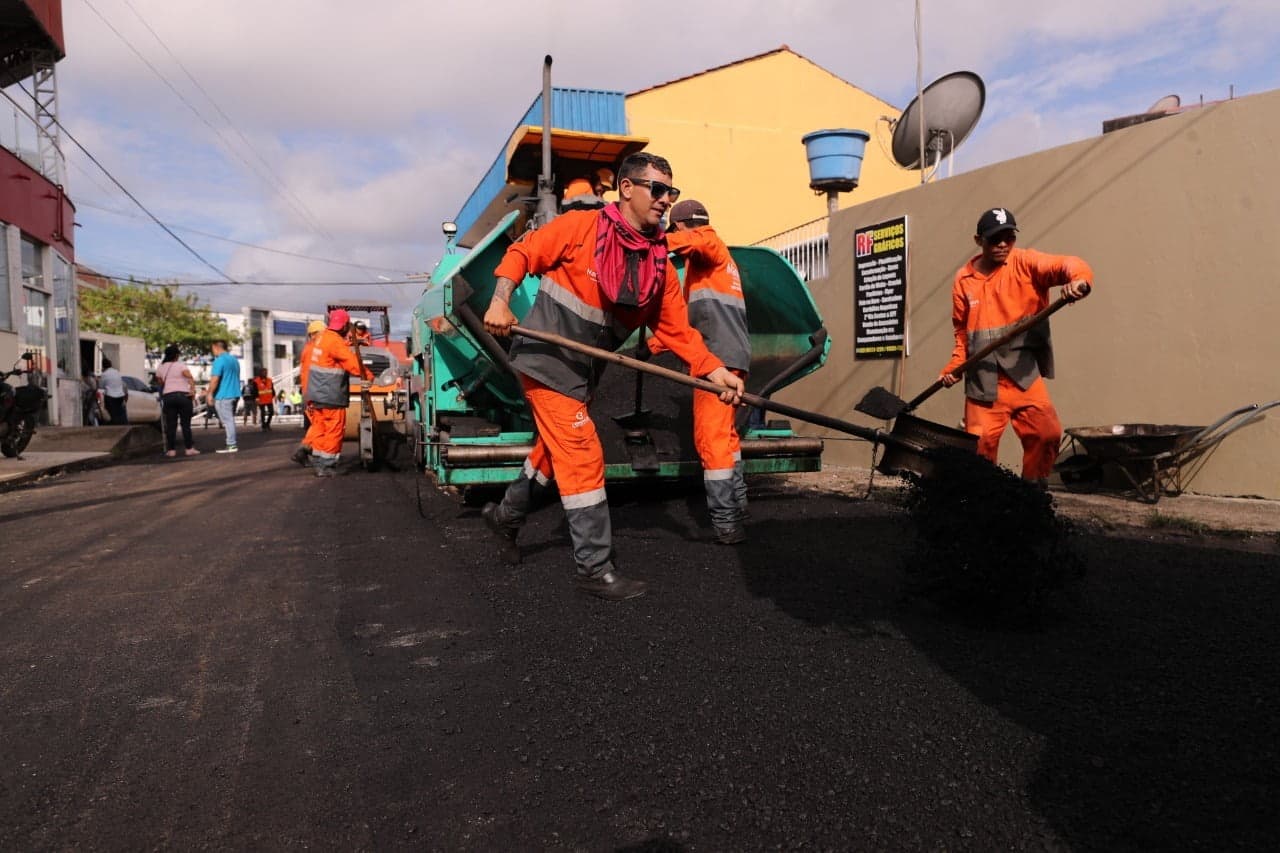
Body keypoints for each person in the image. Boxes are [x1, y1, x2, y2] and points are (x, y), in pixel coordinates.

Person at [481, 151, 744, 601]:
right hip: (545, 360)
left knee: (552, 452)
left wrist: (715, 370)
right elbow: (523, 252)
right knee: (582, 452)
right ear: (626, 188)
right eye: (656, 190)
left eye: (670, 191)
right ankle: (594, 567)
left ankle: (505, 517)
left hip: (584, 370)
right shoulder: (580, 227)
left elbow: (677, 332)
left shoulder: (658, 263)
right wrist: (501, 300)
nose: (665, 200)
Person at [938, 206, 1093, 485]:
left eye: (1008, 238)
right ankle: (983, 503)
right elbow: (961, 332)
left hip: (1023, 374)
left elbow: (1068, 264)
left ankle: (1032, 493)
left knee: (1047, 433)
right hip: (983, 379)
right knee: (980, 445)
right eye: (994, 239)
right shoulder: (964, 280)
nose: (1002, 245)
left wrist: (1078, 281)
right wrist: (954, 366)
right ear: (978, 241)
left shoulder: (1026, 263)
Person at [665, 198, 751, 544]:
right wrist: (654, 345)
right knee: (728, 438)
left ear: (682, 227)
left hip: (717, 361)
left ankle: (726, 522)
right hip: (734, 356)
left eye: (674, 232)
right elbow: (689, 323)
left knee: (710, 440)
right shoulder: (710, 270)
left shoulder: (710, 243)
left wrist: (649, 242)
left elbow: (696, 240)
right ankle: (740, 504)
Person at [302, 309, 370, 477]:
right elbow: (351, 362)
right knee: (334, 429)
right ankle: (328, 465)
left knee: (321, 428)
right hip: (331, 394)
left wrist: (354, 342)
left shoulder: (322, 338)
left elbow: (333, 351)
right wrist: (368, 376)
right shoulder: (334, 342)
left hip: (316, 393)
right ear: (345, 325)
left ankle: (318, 461)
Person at [291, 319, 326, 466]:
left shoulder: (308, 349)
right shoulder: (315, 349)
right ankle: (307, 451)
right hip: (314, 392)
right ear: (315, 334)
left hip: (310, 392)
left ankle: (306, 451)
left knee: (318, 424)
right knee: (320, 424)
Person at [154, 344, 200, 457]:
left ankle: (171, 451)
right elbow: (189, 377)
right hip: (183, 396)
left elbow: (160, 383)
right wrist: (193, 390)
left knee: (171, 425)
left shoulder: (161, 367)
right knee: (185, 424)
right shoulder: (180, 365)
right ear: (176, 355)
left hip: (169, 397)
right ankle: (189, 449)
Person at [204, 340, 241, 453]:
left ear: (216, 347)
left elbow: (215, 380)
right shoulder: (234, 360)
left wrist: (209, 393)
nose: (212, 351)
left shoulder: (219, 361)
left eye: (212, 348)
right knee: (228, 419)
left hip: (223, 395)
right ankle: (231, 443)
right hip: (234, 393)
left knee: (227, 420)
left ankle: (231, 445)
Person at [99, 358, 128, 425]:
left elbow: (101, 386)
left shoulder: (104, 374)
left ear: (103, 366)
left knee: (112, 414)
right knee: (119, 413)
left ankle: (113, 425)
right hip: (120, 396)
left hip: (110, 396)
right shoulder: (116, 372)